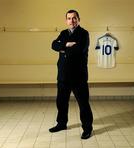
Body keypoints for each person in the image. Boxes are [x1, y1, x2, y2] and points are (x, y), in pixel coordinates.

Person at [49, 10, 93, 139]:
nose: (72, 21)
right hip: (63, 76)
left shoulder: (84, 34)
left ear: (78, 19)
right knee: (61, 102)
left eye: (74, 18)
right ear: (66, 20)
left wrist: (62, 47)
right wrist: (67, 45)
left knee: (83, 104)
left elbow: (79, 50)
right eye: (69, 18)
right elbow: (53, 45)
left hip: (78, 76)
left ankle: (87, 128)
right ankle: (61, 123)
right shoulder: (63, 33)